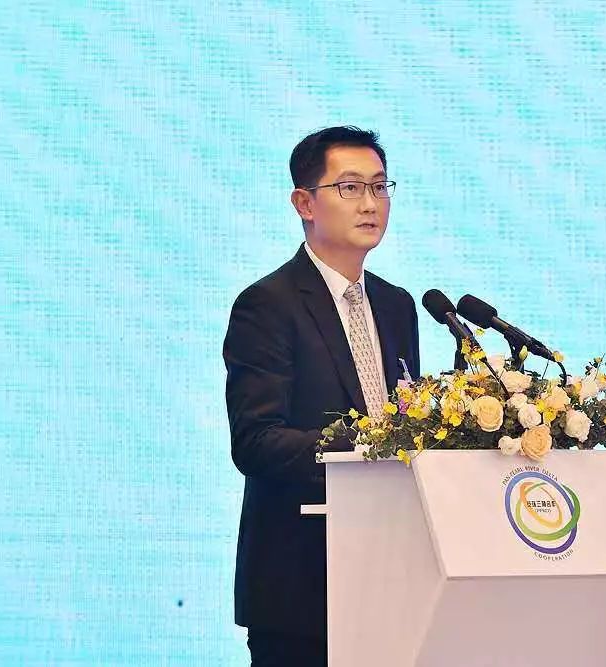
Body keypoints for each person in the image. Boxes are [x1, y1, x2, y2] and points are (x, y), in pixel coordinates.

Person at [222, 126, 421, 666]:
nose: (370, 204)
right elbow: (257, 441)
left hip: (392, 579)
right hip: (301, 588)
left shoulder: (398, 306)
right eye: (350, 187)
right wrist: (370, 448)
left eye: (380, 187)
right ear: (304, 203)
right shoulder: (268, 305)